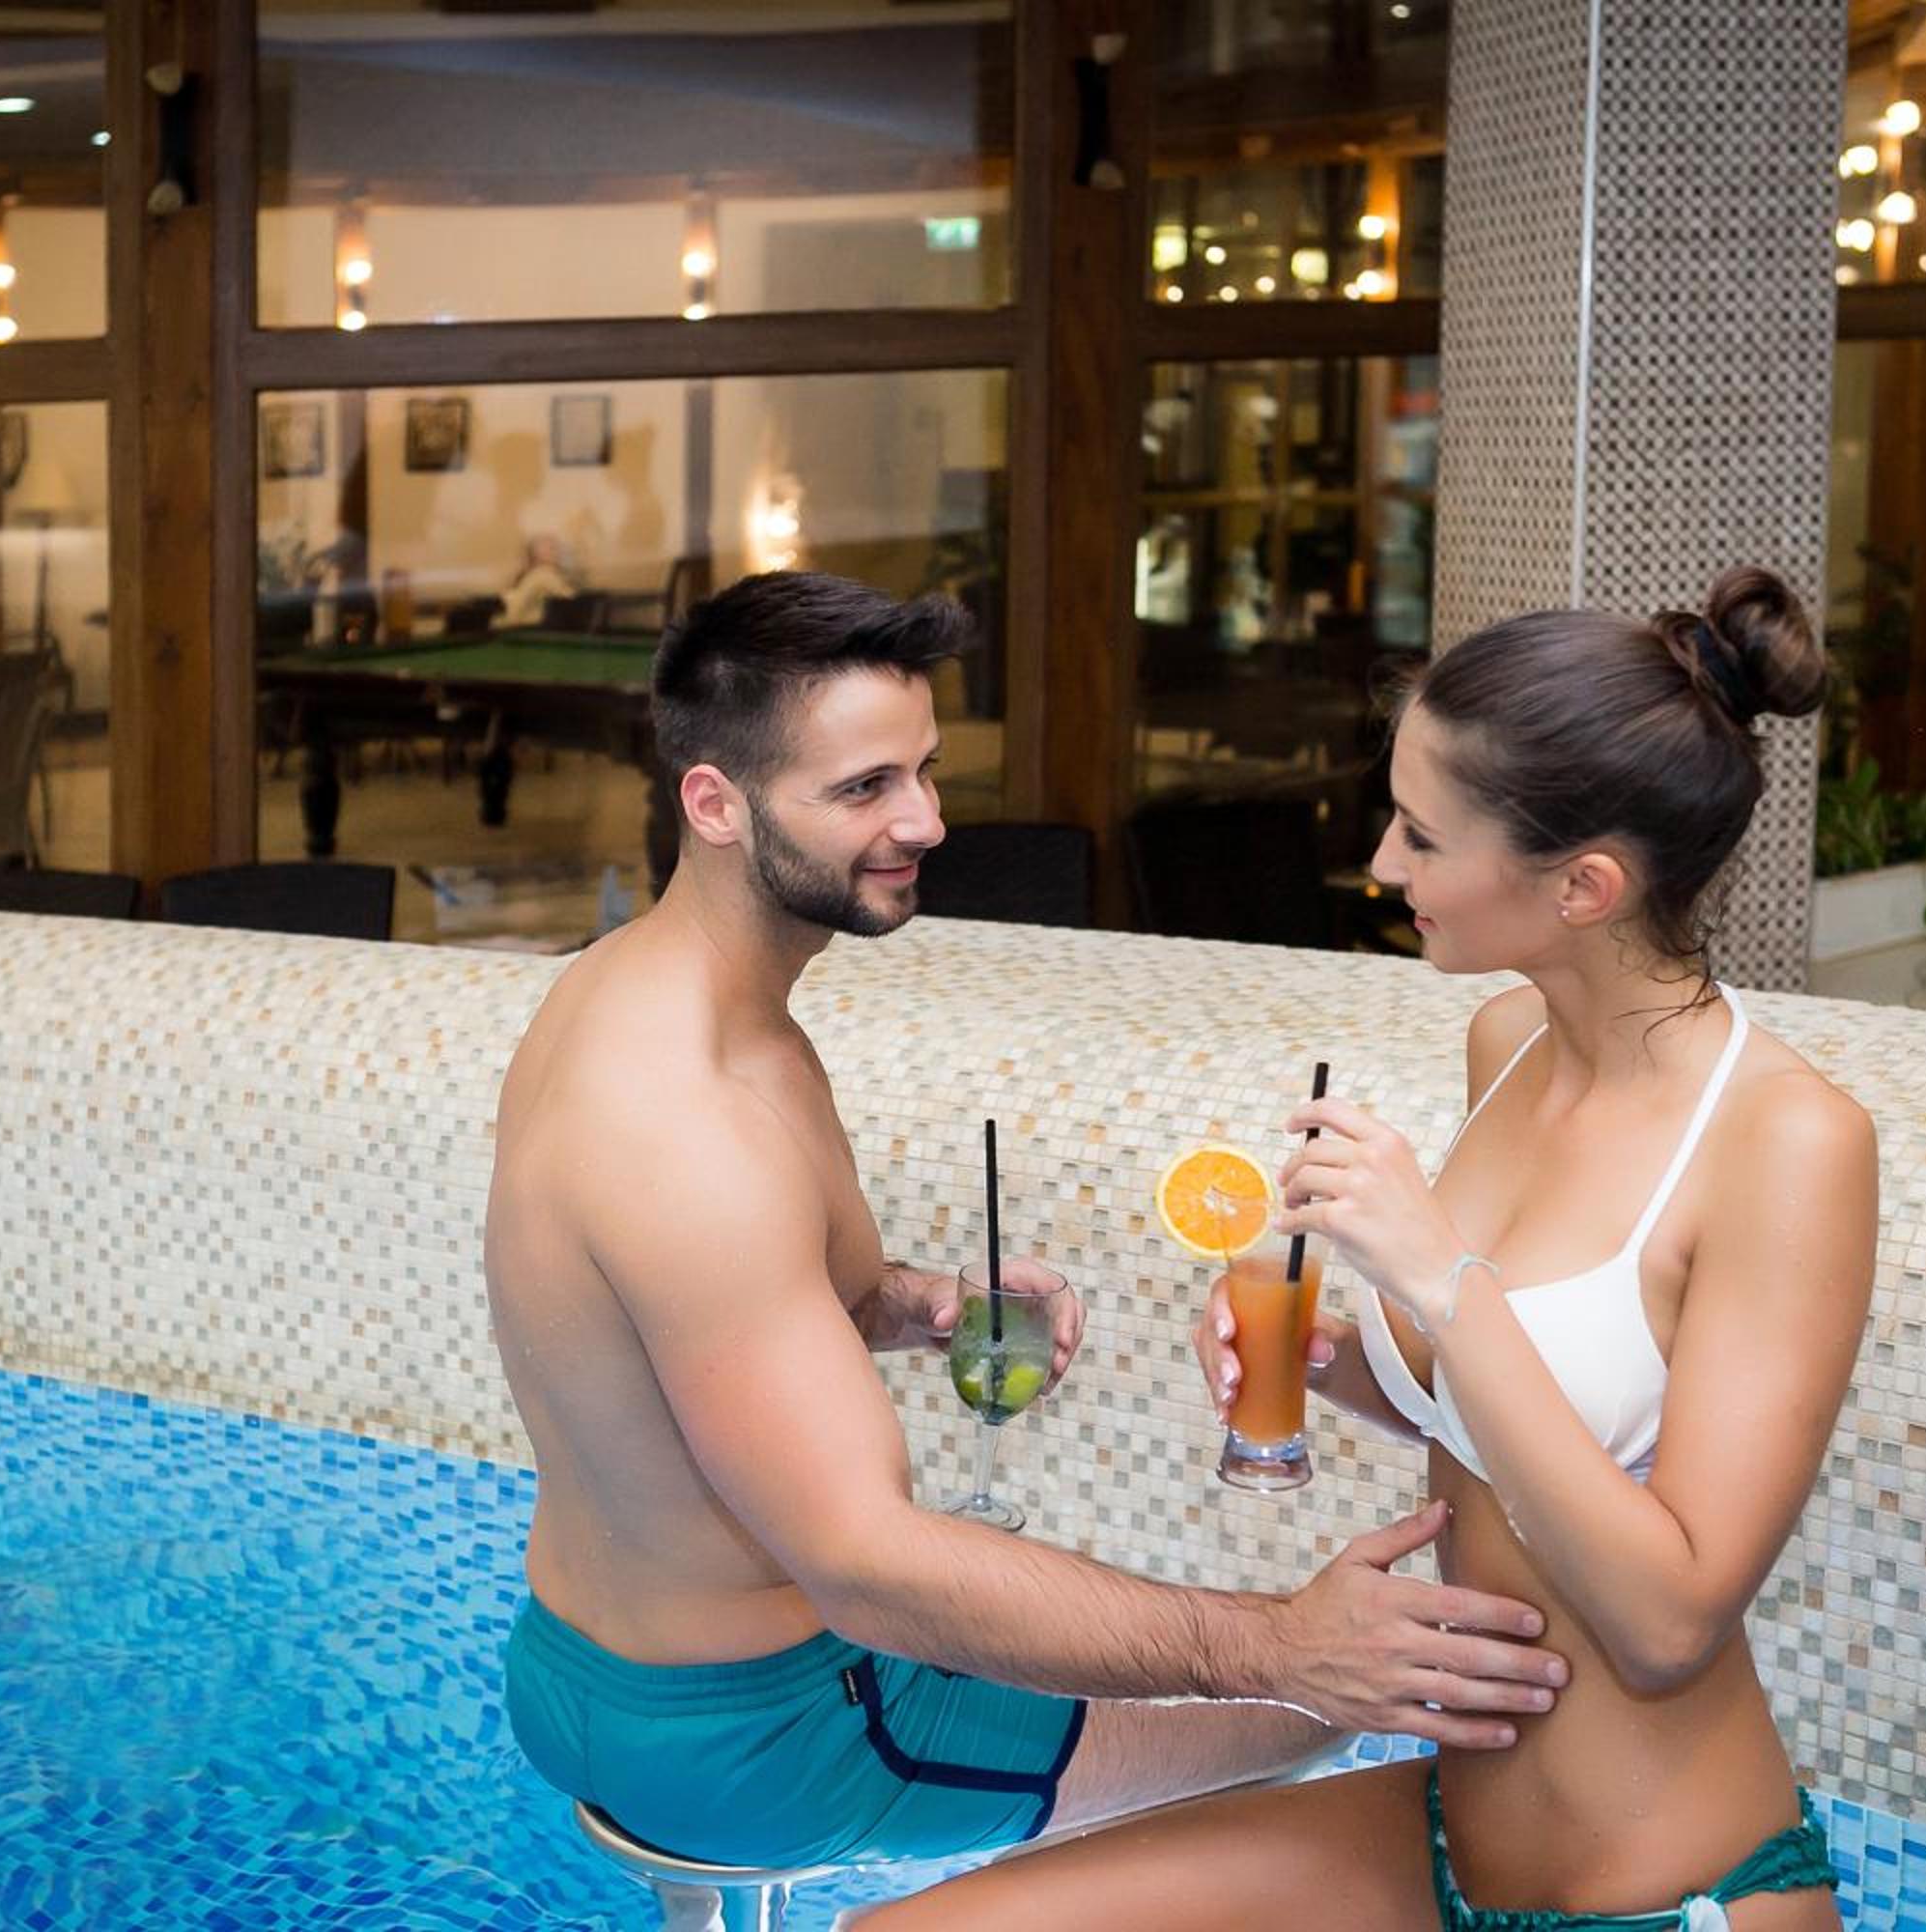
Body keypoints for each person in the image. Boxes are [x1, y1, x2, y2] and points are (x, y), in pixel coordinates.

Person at [488, 571, 1570, 1876]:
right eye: (864, 788)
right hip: (773, 1734)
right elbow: (865, 1566)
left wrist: (915, 1303)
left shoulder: (622, 998)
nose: (926, 822)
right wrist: (1277, 1644)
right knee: (1335, 1708)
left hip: (574, 1669)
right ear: (714, 803)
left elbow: (683, 1312)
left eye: (925, 771)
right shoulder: (694, 1121)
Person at [864, 567, 1877, 1929]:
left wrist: (1442, 1281)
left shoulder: (1789, 1141)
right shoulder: (1507, 1042)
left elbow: (1669, 1622)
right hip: (1452, 1836)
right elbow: (1513, 1413)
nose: (1385, 866)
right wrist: (1331, 1361)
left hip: (1673, 1887)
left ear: (1583, 885)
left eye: (1423, 836)